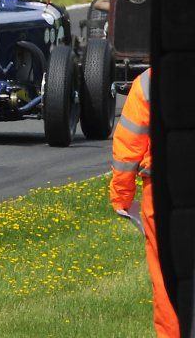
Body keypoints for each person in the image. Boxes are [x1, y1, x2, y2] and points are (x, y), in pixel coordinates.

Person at [111, 69, 178, 338]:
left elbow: (128, 148)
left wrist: (122, 197)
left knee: (167, 280)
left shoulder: (149, 81)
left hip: (165, 192)